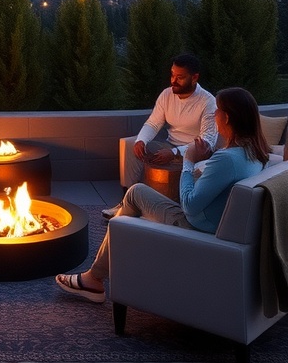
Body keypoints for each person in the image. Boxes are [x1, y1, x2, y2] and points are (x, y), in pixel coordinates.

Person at [55, 86, 270, 303]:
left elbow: (189, 205)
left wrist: (189, 161)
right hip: (217, 224)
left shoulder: (227, 160)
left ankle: (95, 275)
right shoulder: (256, 153)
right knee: (135, 194)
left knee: (133, 197)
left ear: (227, 117)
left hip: (197, 227)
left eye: (217, 111)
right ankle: (121, 241)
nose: (214, 115)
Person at [102, 52, 218, 219]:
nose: (173, 81)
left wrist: (175, 153)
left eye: (180, 77)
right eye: (172, 75)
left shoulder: (208, 102)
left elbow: (207, 141)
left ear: (194, 78)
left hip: (194, 153)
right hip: (169, 145)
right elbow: (153, 123)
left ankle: (153, 207)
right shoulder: (167, 95)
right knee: (129, 144)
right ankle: (127, 200)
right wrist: (141, 140)